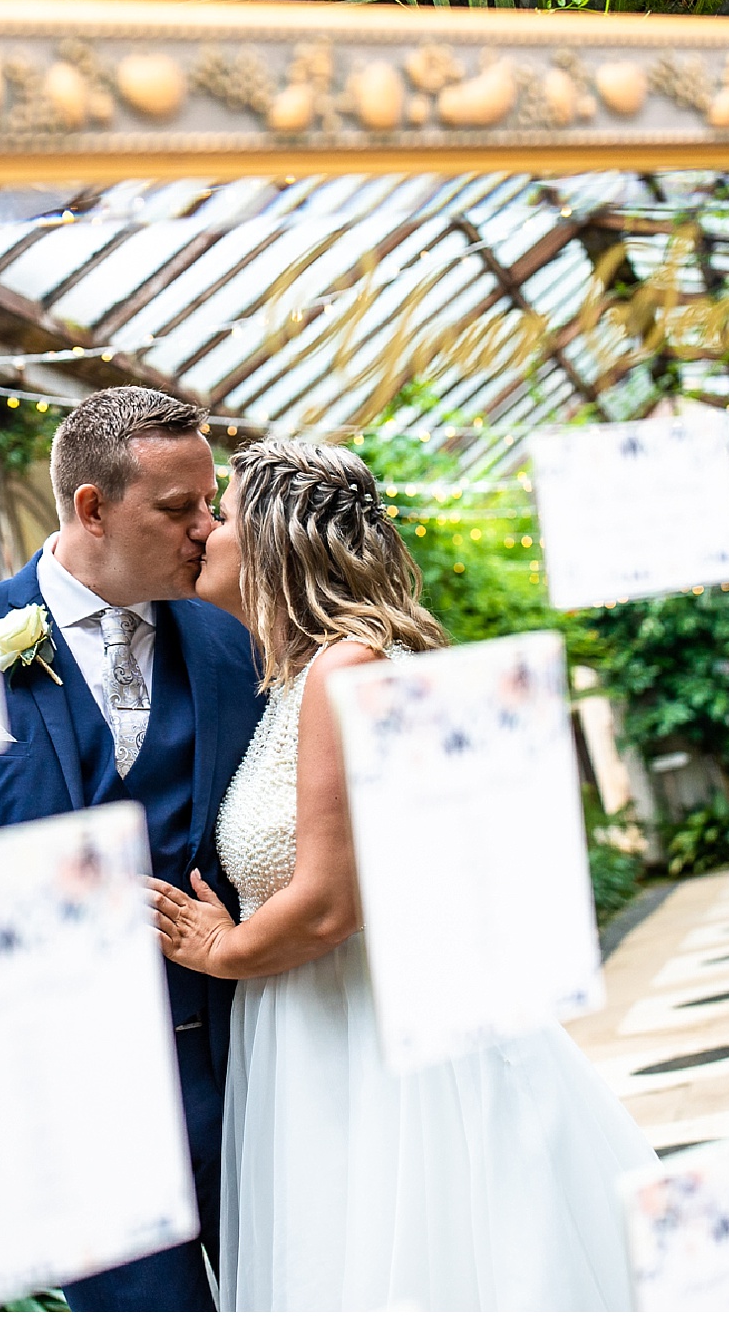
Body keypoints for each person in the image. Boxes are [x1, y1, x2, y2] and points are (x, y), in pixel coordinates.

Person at [147, 438, 661, 1311]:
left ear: (272, 542)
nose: (203, 531)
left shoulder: (346, 670)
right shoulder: (311, 674)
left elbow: (330, 903)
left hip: (375, 1035)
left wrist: (220, 950)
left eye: (222, 514)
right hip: (327, 1023)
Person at [0, 387, 264, 1313]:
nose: (207, 532)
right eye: (180, 510)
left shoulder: (230, 639)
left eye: (210, 506)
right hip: (72, 1091)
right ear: (92, 508)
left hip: (248, 1058)